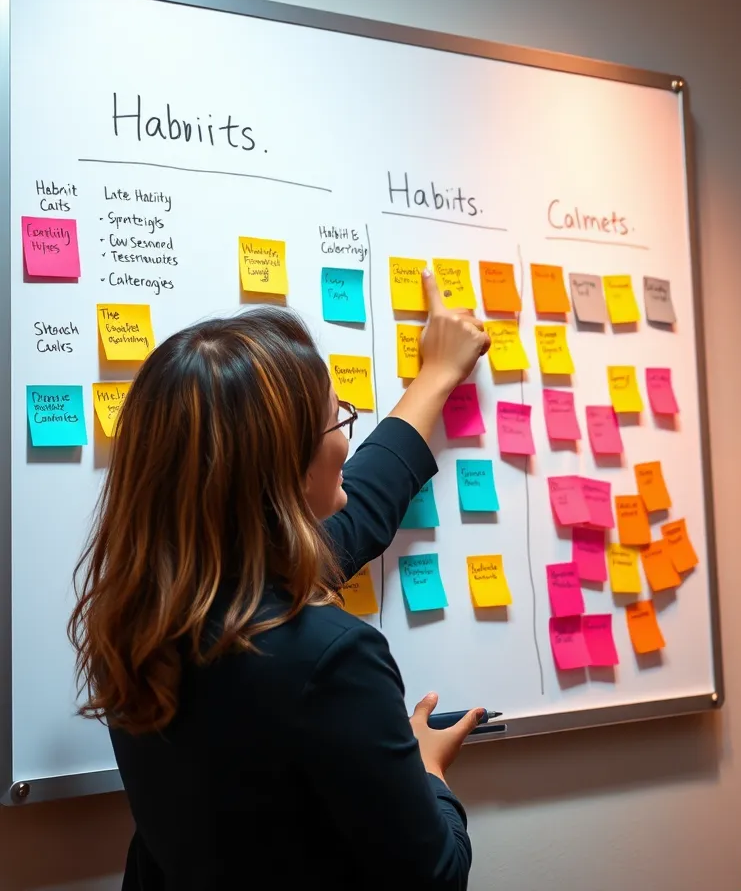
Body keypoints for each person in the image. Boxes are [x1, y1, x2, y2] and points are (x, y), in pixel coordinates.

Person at [68, 271, 490, 891]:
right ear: (279, 471)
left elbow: (362, 505)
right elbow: (434, 876)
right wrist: (428, 773)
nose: (346, 441)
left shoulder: (139, 619)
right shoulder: (330, 657)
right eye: (335, 422)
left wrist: (436, 375)